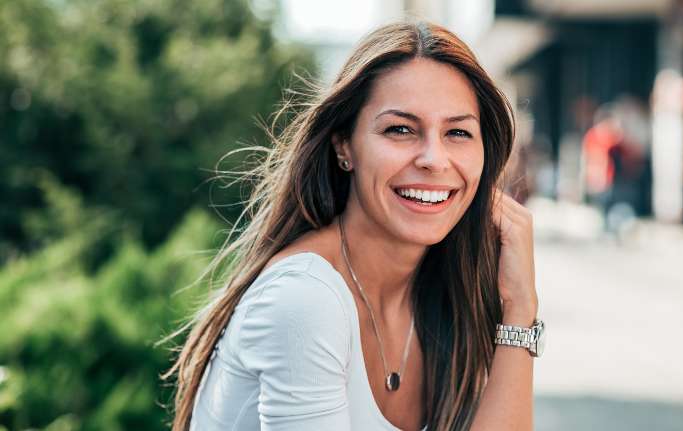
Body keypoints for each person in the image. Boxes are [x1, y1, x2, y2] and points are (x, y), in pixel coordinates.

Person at [163, 21, 544, 431]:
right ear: (344, 146)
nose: (434, 159)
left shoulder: (441, 293)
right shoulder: (304, 298)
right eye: (400, 129)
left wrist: (520, 310)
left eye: (457, 132)